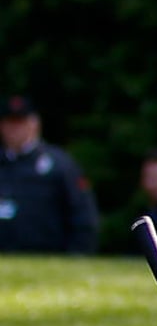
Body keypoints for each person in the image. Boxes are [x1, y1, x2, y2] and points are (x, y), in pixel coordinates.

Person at [0, 94, 99, 253]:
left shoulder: (59, 165)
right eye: (9, 123)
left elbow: (83, 215)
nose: (14, 129)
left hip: (47, 255)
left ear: (34, 124)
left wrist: (78, 255)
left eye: (20, 123)